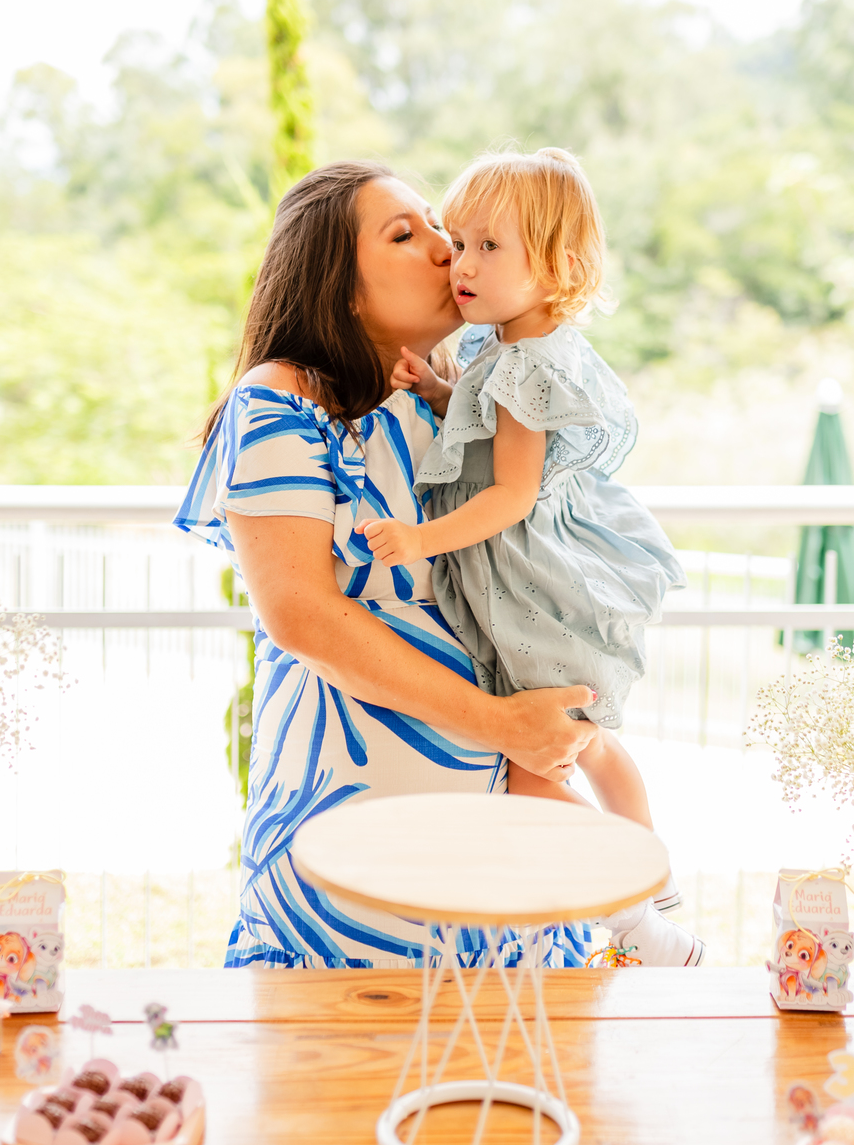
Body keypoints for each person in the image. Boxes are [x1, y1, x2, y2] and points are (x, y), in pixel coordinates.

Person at [174, 160, 604, 970]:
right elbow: (303, 616)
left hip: (492, 814)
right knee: (342, 1036)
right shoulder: (279, 401)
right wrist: (502, 723)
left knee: (520, 1035)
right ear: (340, 287)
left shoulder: (448, 396)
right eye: (405, 235)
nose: (446, 249)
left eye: (441, 227)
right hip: (354, 820)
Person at [361, 147, 703, 966]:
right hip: (539, 576)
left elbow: (511, 492)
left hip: (532, 584)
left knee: (537, 771)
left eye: (489, 247)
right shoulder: (517, 348)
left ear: (558, 270)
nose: (462, 265)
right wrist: (442, 393)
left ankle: (636, 916)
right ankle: (653, 882)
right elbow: (493, 429)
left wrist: (421, 539)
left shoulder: (525, 366)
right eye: (460, 242)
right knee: (592, 742)